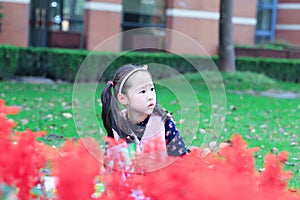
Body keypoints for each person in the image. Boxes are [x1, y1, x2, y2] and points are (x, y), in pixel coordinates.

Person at [101, 64, 187, 172]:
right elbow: (109, 165)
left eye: (152, 89)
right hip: (128, 185)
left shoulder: (163, 122)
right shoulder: (117, 124)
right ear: (123, 99)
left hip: (161, 183)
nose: (151, 96)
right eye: (142, 91)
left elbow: (182, 159)